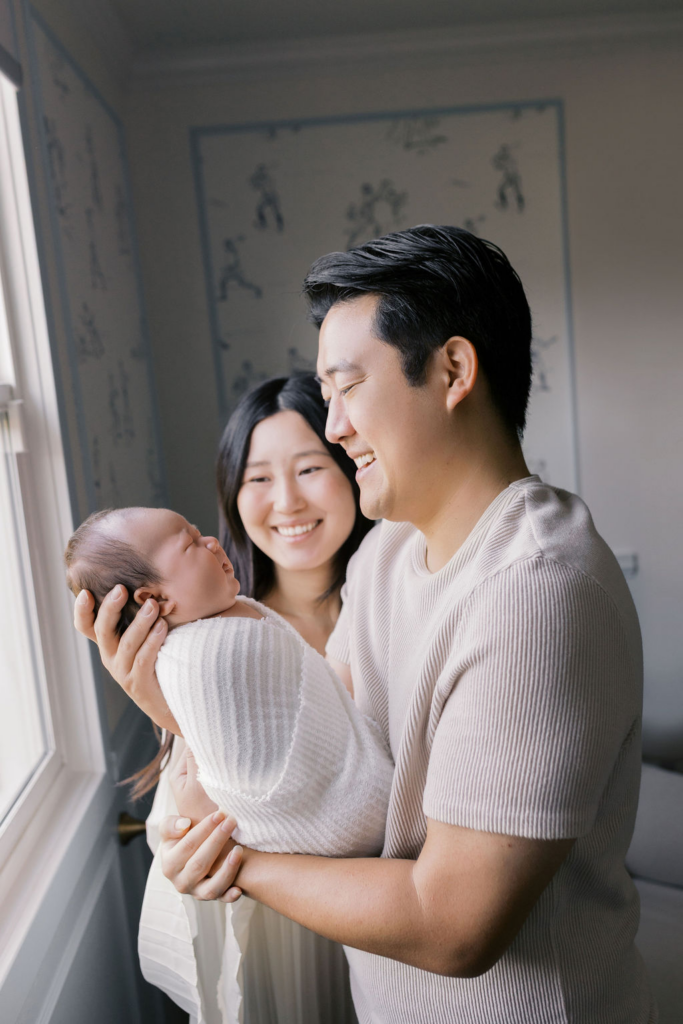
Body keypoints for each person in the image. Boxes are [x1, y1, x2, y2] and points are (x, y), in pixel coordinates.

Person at [76, 227, 655, 1024]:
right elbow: (330, 732)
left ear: (452, 371)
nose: (334, 426)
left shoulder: (536, 592)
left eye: (347, 388)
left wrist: (233, 861)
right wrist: (170, 700)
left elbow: (453, 927)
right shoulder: (385, 551)